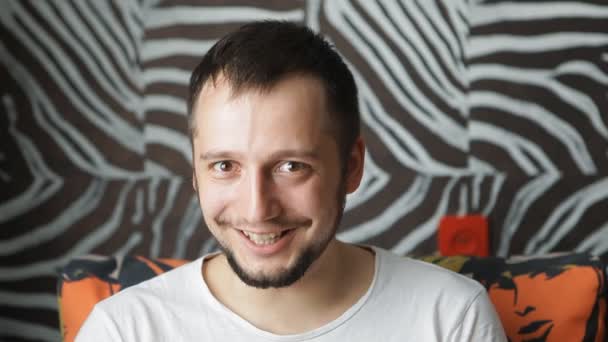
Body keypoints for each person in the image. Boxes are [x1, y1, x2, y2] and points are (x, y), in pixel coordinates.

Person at [76, 20, 507, 341]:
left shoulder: (451, 318)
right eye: (225, 166)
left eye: (291, 167)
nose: (257, 209)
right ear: (194, 170)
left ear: (352, 165)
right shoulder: (125, 330)